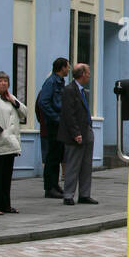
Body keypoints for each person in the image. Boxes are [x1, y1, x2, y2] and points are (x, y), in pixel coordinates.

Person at [58, 64, 97, 204]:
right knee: (73, 164)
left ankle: (84, 194)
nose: (89, 75)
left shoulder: (84, 91)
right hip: (75, 133)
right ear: (82, 74)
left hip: (87, 129)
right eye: (88, 73)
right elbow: (69, 114)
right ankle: (68, 195)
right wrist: (76, 133)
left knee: (86, 165)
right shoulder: (69, 90)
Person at [0, 72, 27, 214]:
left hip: (11, 144)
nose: (3, 83)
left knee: (6, 177)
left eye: (6, 81)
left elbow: (24, 113)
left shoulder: (10, 98)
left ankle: (5, 204)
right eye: (0, 81)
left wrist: (14, 101)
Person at [37, 57, 70, 197]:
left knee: (57, 156)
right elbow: (42, 102)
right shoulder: (51, 82)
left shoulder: (59, 82)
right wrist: (55, 118)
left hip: (59, 124)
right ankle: (49, 188)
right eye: (67, 66)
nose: (69, 69)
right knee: (52, 156)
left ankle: (55, 185)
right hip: (53, 125)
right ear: (62, 68)